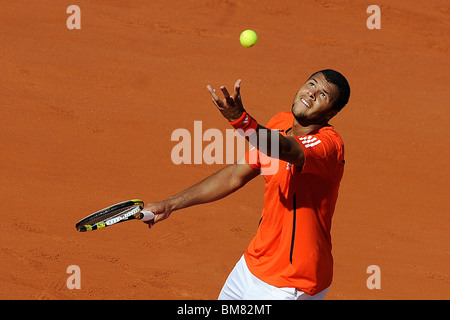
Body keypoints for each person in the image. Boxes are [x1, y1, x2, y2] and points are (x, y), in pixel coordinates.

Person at [142, 69, 350, 300]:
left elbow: (285, 149)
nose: (311, 94)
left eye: (322, 95)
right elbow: (235, 175)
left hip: (292, 283)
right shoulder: (279, 123)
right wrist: (171, 204)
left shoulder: (329, 146)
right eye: (311, 85)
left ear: (331, 112)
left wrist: (240, 120)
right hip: (252, 265)